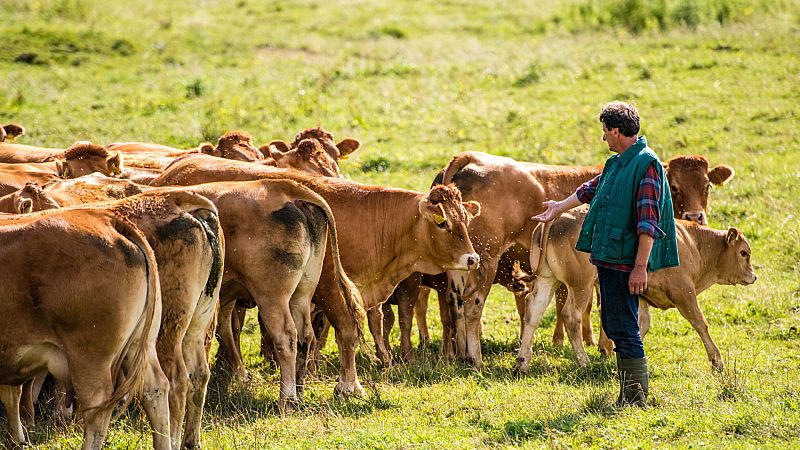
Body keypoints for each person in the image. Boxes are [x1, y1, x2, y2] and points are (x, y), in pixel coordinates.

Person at [533, 101, 679, 407]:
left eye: (605, 131)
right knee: (614, 323)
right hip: (609, 255)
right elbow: (590, 189)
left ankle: (636, 398)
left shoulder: (646, 164)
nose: (603, 138)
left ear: (617, 130)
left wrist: (641, 268)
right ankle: (629, 394)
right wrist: (558, 207)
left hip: (627, 260)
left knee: (624, 326)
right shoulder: (618, 163)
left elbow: (648, 223)